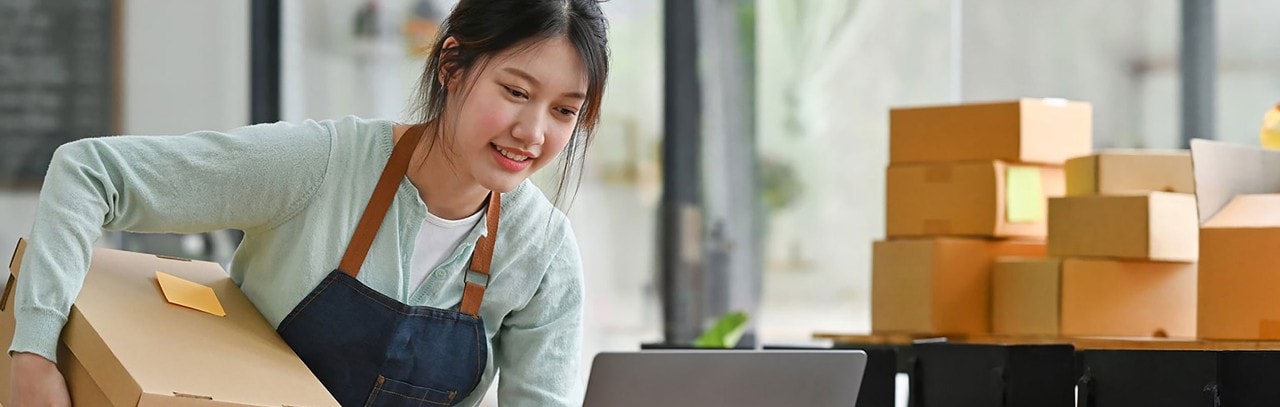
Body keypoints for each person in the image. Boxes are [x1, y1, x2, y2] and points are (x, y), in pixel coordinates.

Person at [8, 0, 609, 405]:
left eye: (564, 110)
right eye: (515, 91)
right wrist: (33, 352)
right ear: (452, 66)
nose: (533, 132)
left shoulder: (544, 253)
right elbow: (89, 172)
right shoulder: (322, 164)